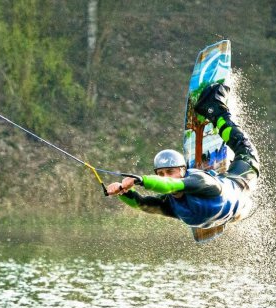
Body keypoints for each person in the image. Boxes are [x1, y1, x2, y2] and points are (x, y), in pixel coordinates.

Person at [106, 83, 260, 241]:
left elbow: (171, 184)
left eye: (170, 171)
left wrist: (139, 180)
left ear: (183, 170)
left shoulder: (200, 181)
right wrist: (122, 192)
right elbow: (141, 203)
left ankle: (214, 109)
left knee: (246, 150)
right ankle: (215, 113)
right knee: (247, 166)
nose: (166, 176)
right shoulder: (171, 205)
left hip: (238, 185)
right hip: (233, 211)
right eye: (161, 173)